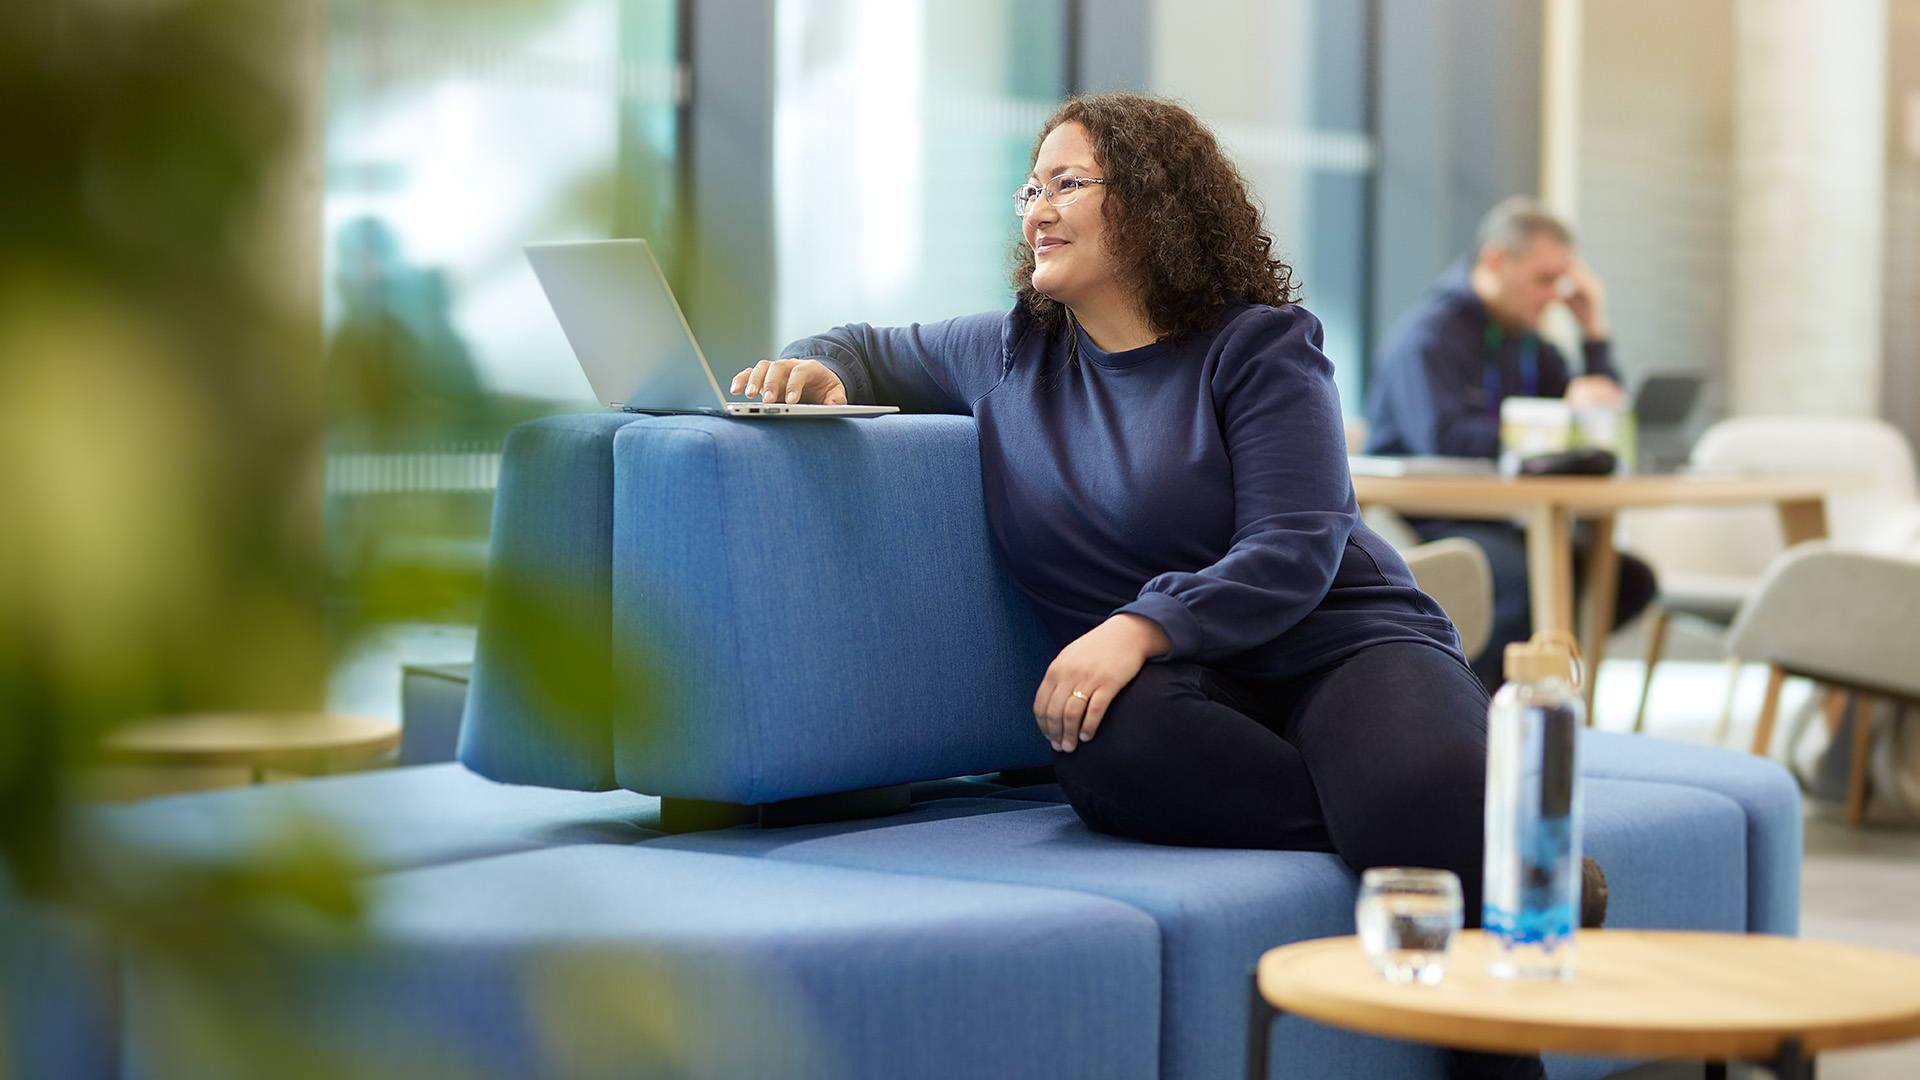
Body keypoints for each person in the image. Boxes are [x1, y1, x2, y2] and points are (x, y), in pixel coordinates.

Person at [733, 96, 1589, 1080]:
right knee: (1101, 743)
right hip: (1188, 695)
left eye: (1067, 183)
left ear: (1151, 201)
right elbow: (857, 344)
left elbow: (1296, 545)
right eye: (1030, 188)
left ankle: (1447, 862)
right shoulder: (1006, 351)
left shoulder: (1262, 343)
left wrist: (1140, 624)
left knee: (1416, 781)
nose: (1036, 209)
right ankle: (1450, 842)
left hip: (1341, 640)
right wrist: (812, 368)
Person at [1364, 198, 1658, 690]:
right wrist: (1552, 423)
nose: (1553, 296)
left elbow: (1591, 432)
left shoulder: (1527, 342)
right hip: (1430, 517)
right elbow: (1445, 439)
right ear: (1497, 261)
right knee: (1524, 580)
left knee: (1626, 580)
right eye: (1544, 280)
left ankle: (1536, 706)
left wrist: (1594, 333)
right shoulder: (1429, 337)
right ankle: (1464, 711)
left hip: (1508, 516)